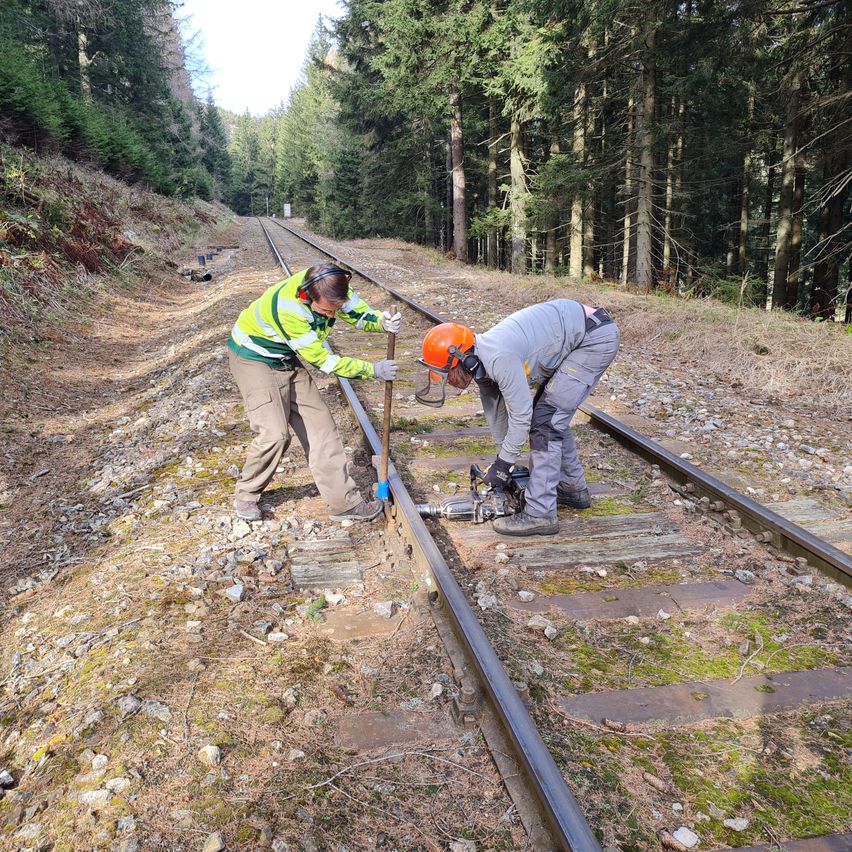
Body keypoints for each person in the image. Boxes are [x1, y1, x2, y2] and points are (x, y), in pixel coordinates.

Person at [415, 300, 619, 536]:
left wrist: (504, 464)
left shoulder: (498, 358)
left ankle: (540, 514)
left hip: (593, 338)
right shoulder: (480, 364)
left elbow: (522, 415)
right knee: (550, 416)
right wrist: (503, 462)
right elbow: (497, 412)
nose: (447, 381)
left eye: (447, 374)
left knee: (546, 421)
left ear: (462, 358)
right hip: (580, 331)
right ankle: (572, 489)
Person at [228, 262, 401, 522]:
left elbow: (361, 315)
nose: (332, 316)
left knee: (322, 429)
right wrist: (372, 370)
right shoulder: (289, 310)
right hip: (254, 358)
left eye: (337, 309)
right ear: (307, 297)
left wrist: (383, 322)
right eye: (326, 310)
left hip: (285, 356)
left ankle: (344, 504)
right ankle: (246, 493)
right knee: (275, 434)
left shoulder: (334, 286)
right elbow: (326, 362)